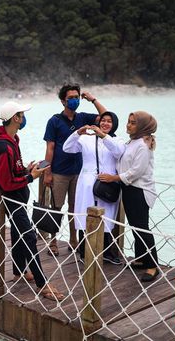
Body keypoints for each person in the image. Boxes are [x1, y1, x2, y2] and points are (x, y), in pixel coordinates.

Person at [0, 101, 64, 301]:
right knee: (29, 236)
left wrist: (26, 170)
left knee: (17, 233)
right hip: (12, 198)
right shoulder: (3, 146)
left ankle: (20, 270)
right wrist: (31, 177)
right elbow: (6, 183)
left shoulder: (12, 139)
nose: (23, 118)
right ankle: (42, 284)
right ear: (15, 118)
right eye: (21, 114)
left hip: (17, 197)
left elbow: (12, 171)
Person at [43, 83, 107, 256]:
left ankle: (73, 241)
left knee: (75, 208)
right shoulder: (54, 121)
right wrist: (47, 172)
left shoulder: (83, 118)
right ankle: (53, 242)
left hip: (79, 173)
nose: (74, 100)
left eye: (76, 97)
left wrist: (92, 99)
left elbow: (107, 118)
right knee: (56, 207)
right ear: (63, 101)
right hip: (59, 172)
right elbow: (50, 148)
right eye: (70, 98)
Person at [98, 111, 159, 282]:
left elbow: (136, 171)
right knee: (134, 225)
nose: (128, 125)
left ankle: (152, 265)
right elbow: (122, 162)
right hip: (129, 189)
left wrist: (113, 178)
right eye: (128, 122)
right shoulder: (132, 142)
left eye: (133, 123)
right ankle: (141, 259)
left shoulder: (143, 145)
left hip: (139, 190)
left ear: (142, 127)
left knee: (141, 227)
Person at [62, 111, 124, 264]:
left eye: (109, 121)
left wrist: (103, 136)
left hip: (107, 182)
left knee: (107, 217)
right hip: (87, 182)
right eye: (103, 120)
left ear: (114, 124)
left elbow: (119, 152)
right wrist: (77, 133)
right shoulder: (86, 139)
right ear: (98, 122)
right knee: (85, 215)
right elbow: (67, 148)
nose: (105, 123)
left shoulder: (118, 140)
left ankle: (107, 252)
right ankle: (84, 252)